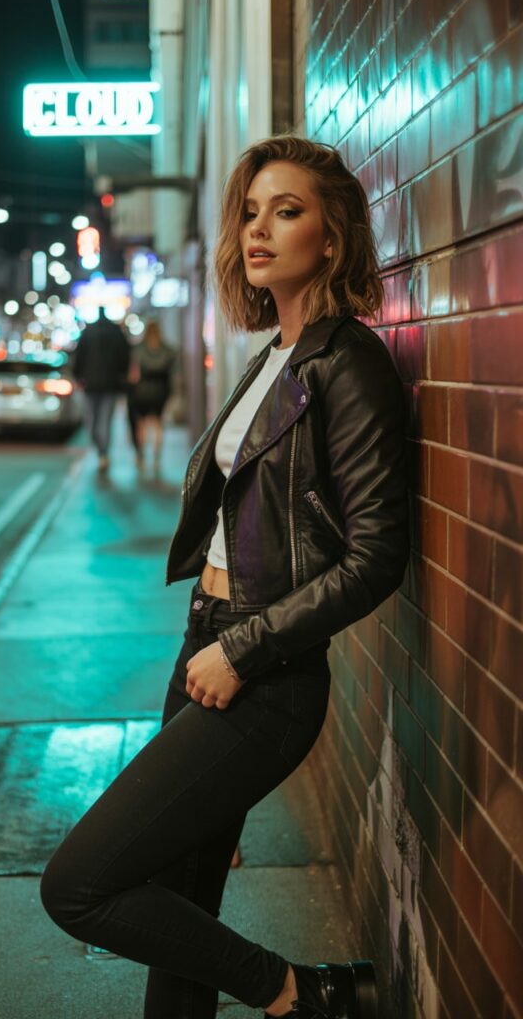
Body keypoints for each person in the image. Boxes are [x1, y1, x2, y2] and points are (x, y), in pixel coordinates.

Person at [40, 136, 409, 1019]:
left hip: (262, 674)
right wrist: (215, 645)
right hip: (205, 650)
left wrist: (242, 649)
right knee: (180, 894)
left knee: (79, 885)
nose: (258, 229)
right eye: (250, 211)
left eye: (287, 212)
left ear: (333, 237)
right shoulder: (272, 356)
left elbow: (376, 555)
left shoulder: (345, 362)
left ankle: (301, 995)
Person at [72, 314, 131, 473]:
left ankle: (102, 452)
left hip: (91, 384)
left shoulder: (88, 332)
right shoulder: (116, 332)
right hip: (109, 385)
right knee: (103, 421)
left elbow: (78, 356)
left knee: (93, 421)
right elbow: (125, 357)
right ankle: (102, 452)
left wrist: (77, 376)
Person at [128, 320, 176, 472]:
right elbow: (172, 371)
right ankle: (156, 455)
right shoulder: (167, 350)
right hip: (161, 391)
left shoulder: (139, 349)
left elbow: (133, 374)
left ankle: (141, 454)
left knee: (141, 424)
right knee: (157, 423)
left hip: (142, 392)